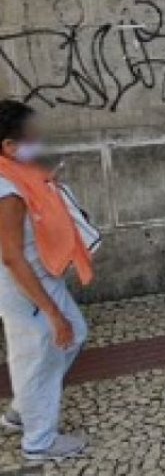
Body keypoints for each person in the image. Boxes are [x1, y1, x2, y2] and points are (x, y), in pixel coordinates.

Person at [0, 100, 91, 462]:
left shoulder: (16, 174)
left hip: (38, 279)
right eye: (32, 139)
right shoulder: (7, 192)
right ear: (9, 146)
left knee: (71, 336)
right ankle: (40, 442)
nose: (39, 144)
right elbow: (10, 256)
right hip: (25, 285)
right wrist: (51, 311)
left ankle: (22, 411)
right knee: (42, 353)